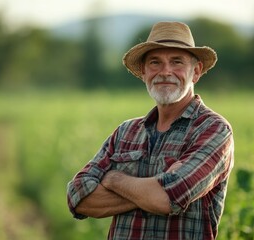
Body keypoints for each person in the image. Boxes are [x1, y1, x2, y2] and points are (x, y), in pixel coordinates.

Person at [67, 21, 234, 240]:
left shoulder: (214, 130)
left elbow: (166, 199)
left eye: (177, 62)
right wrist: (156, 186)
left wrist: (114, 180)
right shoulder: (125, 132)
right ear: (144, 72)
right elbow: (78, 197)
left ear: (196, 71)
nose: (165, 71)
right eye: (155, 62)